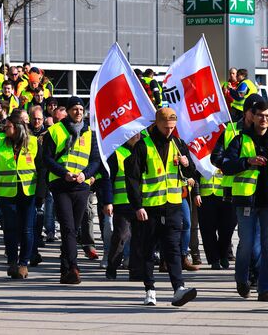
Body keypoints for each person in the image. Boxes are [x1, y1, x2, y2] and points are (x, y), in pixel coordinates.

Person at [125, 107, 198, 307]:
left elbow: (192, 172)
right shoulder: (143, 147)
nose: (169, 131)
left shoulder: (178, 143)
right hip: (149, 208)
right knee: (148, 251)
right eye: (166, 127)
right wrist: (137, 205)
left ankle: (179, 289)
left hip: (173, 205)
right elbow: (132, 178)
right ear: (156, 124)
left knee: (173, 249)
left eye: (173, 127)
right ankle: (150, 290)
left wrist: (185, 164)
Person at [221, 101, 268, 302]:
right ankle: (242, 279)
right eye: (260, 115)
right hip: (246, 199)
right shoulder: (240, 139)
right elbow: (226, 165)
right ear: (252, 116)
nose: (264, 119)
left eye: (267, 115)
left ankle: (265, 287)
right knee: (246, 244)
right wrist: (248, 162)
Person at [43, 96, 100, 284]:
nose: (78, 112)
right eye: (75, 109)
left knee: (73, 230)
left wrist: (85, 174)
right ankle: (74, 267)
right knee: (67, 228)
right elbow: (47, 159)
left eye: (81, 109)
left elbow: (95, 160)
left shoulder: (90, 133)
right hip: (61, 185)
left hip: (81, 186)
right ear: (67, 111)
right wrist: (64, 173)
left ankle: (64, 269)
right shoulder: (55, 131)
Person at [0, 110, 45, 279]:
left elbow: (42, 169)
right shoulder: (0, 144)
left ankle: (23, 263)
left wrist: (41, 193)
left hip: (28, 193)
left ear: (19, 127)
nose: (5, 129)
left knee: (27, 229)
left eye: (9, 126)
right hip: (7, 193)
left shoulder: (33, 142)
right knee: (10, 229)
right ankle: (12, 261)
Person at [102, 133, 143, 280]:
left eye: (139, 133)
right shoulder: (116, 153)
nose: (137, 136)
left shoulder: (143, 150)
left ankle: (136, 271)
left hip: (141, 203)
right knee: (121, 236)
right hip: (122, 202)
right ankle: (112, 268)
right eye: (134, 133)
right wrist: (108, 201)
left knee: (139, 238)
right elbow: (108, 179)